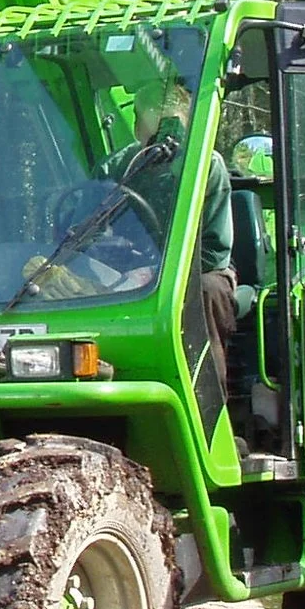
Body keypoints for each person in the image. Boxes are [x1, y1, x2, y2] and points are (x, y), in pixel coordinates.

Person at [107, 79, 235, 390]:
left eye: (167, 120)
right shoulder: (123, 163)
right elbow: (92, 207)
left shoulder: (207, 164)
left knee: (203, 291)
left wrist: (155, 271)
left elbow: (213, 252)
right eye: (145, 117)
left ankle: (209, 402)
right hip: (132, 265)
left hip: (199, 269)